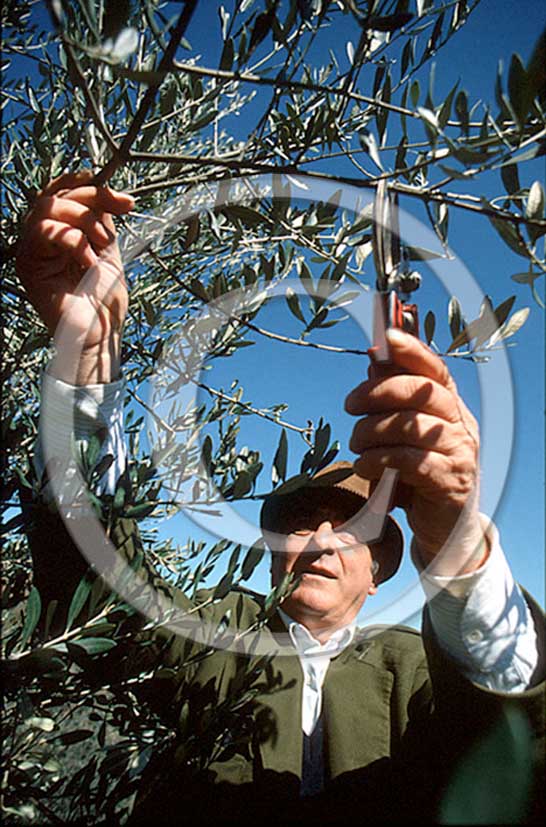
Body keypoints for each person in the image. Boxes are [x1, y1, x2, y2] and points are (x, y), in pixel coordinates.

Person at [16, 172, 544, 824]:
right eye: (299, 523)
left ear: (380, 567)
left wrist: (456, 536)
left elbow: (520, 747)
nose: (321, 538)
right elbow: (100, 600)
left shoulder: (415, 671)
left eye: (350, 524)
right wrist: (85, 359)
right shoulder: (216, 642)